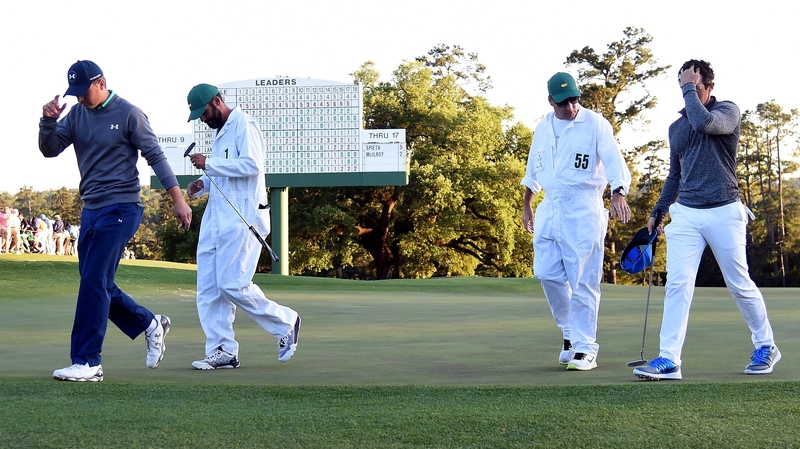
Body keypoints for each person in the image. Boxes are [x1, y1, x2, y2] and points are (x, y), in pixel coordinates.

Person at [39, 60, 192, 382]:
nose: (80, 98)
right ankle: (150, 323)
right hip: (91, 208)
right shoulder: (77, 114)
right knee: (96, 281)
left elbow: (156, 156)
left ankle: (88, 362)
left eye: (84, 91)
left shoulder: (129, 113)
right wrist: (48, 122)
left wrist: (177, 199)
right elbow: (50, 150)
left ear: (102, 83)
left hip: (122, 207)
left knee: (94, 283)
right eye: (75, 93)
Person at [633, 60, 780, 381]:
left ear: (710, 87)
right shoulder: (676, 128)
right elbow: (675, 175)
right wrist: (658, 210)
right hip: (686, 213)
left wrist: (688, 88)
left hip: (725, 210)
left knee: (738, 282)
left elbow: (704, 123)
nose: (687, 93)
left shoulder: (727, 111)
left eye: (695, 88)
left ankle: (766, 345)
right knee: (677, 284)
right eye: (683, 88)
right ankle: (669, 359)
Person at [521, 72, 632, 371]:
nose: (570, 106)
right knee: (548, 274)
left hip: (583, 207)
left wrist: (618, 193)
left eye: (574, 99)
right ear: (550, 101)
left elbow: (615, 162)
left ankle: (585, 348)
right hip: (549, 206)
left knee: (583, 279)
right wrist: (527, 205)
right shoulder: (542, 128)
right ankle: (569, 333)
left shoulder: (595, 123)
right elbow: (533, 170)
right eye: (563, 102)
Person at [186, 83, 300, 370]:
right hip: (217, 218)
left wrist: (209, 164)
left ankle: (286, 322)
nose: (203, 119)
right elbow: (224, 174)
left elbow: (252, 165)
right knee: (208, 288)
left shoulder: (244, 125)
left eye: (203, 112)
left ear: (217, 101)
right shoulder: (220, 133)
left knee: (232, 283)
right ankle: (222, 350)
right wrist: (202, 184)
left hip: (244, 217)